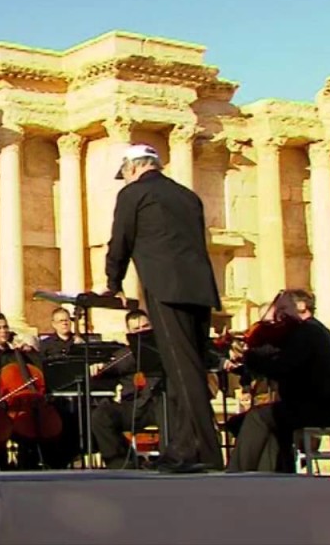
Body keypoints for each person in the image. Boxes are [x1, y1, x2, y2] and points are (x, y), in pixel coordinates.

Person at [106, 143, 223, 473]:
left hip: (166, 288)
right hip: (200, 290)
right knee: (189, 370)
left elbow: (120, 241)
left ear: (132, 169)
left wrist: (112, 283)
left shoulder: (133, 195)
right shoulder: (188, 196)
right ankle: (184, 449)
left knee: (182, 372)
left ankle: (206, 452)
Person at [227, 290, 330, 472]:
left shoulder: (307, 333)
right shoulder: (313, 331)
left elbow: (282, 366)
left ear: (300, 307)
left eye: (283, 308)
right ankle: (271, 473)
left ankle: (236, 472)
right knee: (263, 419)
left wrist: (250, 357)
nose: (278, 315)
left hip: (319, 409)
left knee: (257, 417)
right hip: (323, 406)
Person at [89, 310, 164, 469]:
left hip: (158, 404)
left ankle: (167, 459)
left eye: (145, 327)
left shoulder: (164, 352)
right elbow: (106, 371)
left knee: (167, 409)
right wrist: (98, 367)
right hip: (133, 406)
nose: (142, 332)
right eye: (136, 330)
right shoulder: (124, 354)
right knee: (101, 415)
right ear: (129, 333)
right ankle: (121, 462)